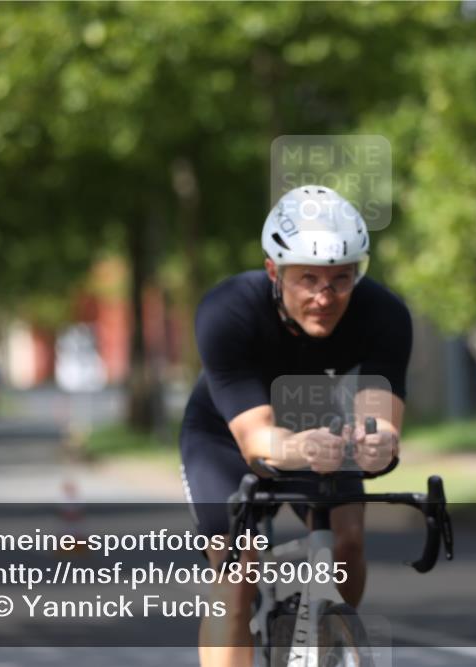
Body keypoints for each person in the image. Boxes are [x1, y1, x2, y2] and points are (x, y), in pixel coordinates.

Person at [179, 185, 412, 667]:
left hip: (320, 427)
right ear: (273, 270)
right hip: (227, 434)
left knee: (347, 538)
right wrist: (298, 449)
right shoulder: (227, 311)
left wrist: (378, 442)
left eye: (341, 280)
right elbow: (256, 440)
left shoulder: (383, 314)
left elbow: (381, 418)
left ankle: (331, 635)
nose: (325, 297)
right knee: (236, 572)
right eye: (308, 279)